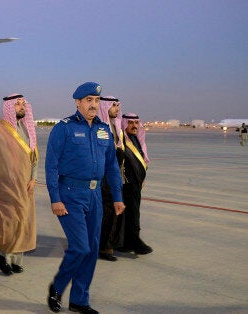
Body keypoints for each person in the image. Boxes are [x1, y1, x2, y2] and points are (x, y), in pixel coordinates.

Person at [45, 82, 125, 314]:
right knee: (80, 247)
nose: (93, 104)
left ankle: (79, 299)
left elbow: (111, 166)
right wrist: (55, 198)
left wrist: (117, 196)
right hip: (69, 195)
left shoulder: (103, 130)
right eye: (88, 100)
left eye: (96, 100)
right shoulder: (64, 128)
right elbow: (51, 166)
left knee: (91, 250)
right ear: (78, 102)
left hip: (95, 195)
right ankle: (58, 287)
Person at [0, 94, 38, 276]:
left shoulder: (28, 130)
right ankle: (4, 256)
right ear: (8, 107)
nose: (21, 107)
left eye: (23, 104)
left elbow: (34, 158)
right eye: (17, 104)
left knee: (24, 221)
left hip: (25, 184)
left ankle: (16, 259)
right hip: (3, 185)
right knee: (10, 221)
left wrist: (33, 178)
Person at [117, 113, 153, 255]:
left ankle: (126, 242)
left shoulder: (136, 139)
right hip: (126, 184)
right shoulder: (123, 141)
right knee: (131, 213)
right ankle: (134, 241)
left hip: (136, 184)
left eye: (136, 123)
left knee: (131, 212)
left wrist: (142, 178)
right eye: (130, 123)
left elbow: (141, 161)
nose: (134, 126)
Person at [97, 96, 125, 262]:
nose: (117, 109)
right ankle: (103, 247)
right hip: (103, 178)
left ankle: (107, 244)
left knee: (112, 211)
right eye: (113, 105)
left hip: (113, 177)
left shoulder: (114, 126)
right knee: (105, 212)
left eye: (117, 105)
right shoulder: (101, 128)